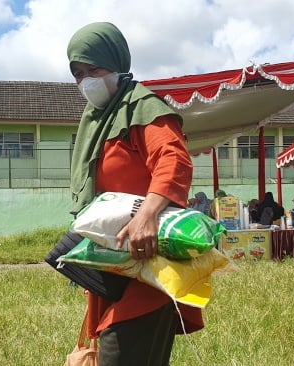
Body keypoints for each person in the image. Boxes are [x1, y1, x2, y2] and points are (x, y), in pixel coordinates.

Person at [66, 22, 201, 365]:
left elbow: (174, 161)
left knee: (123, 351)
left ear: (116, 61)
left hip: (145, 261)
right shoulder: (95, 120)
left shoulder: (143, 108)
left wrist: (148, 214)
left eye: (93, 68)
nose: (86, 81)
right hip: (111, 262)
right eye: (78, 73)